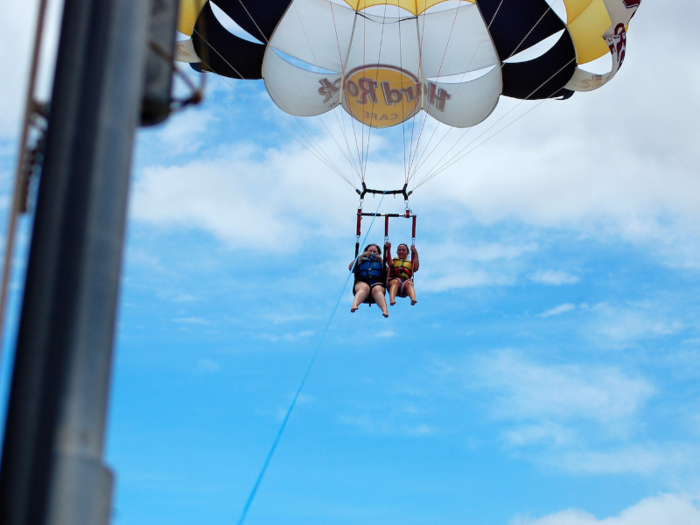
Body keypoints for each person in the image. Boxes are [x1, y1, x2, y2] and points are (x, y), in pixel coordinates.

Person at [349, 243, 389, 317]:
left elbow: (387, 273)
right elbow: (351, 268)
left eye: (375, 252)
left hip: (377, 283)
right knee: (364, 287)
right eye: (370, 251)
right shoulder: (360, 260)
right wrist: (361, 256)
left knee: (377, 289)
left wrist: (381, 260)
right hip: (362, 281)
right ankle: (355, 304)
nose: (372, 253)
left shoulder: (381, 262)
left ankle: (384, 310)